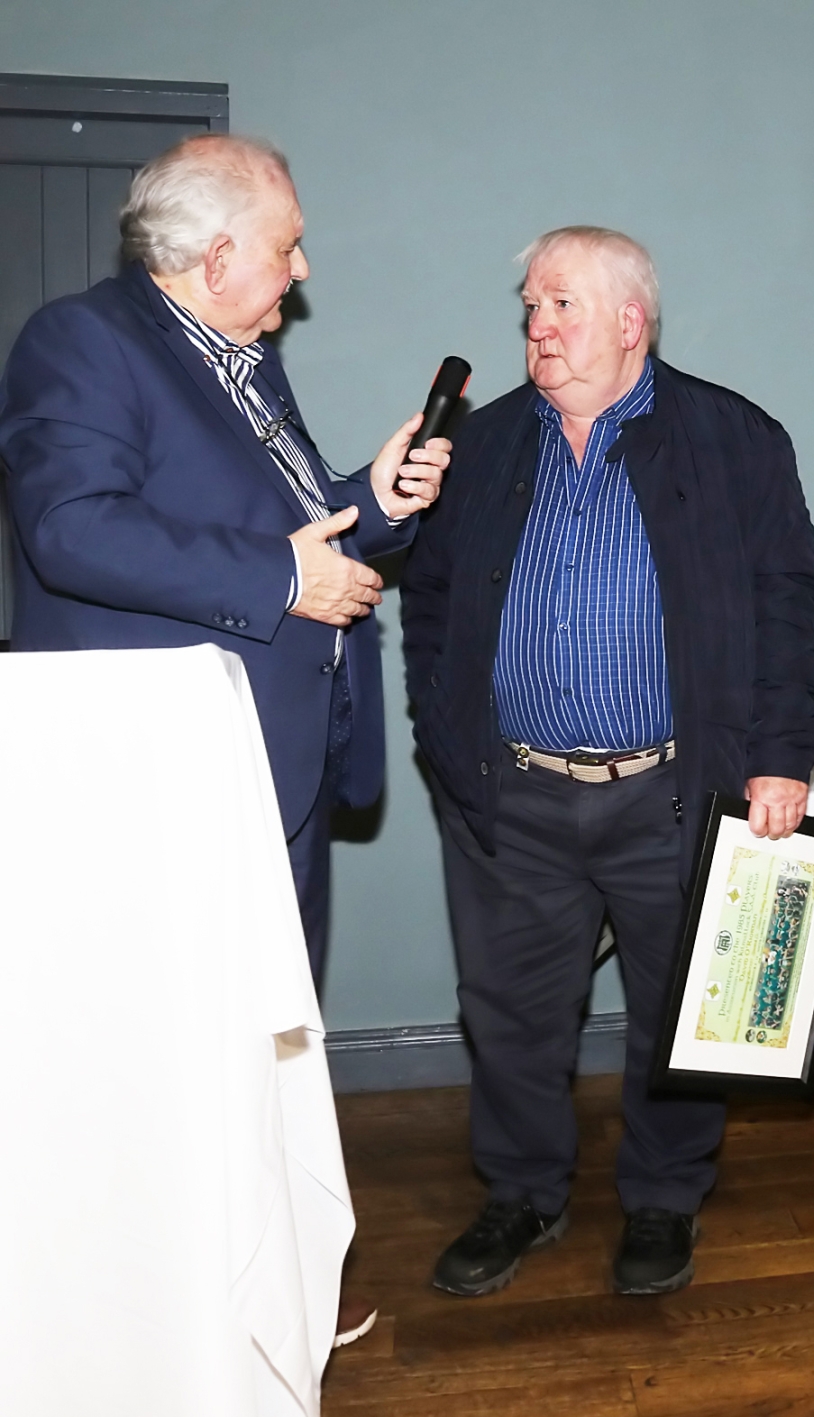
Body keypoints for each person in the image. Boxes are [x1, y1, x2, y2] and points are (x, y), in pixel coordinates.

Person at [0, 133, 450, 1348]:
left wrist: (372, 499)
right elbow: (72, 528)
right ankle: (189, 1313)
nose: (302, 270)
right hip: (169, 783)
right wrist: (285, 578)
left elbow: (287, 527)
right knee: (179, 1058)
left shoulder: (246, 359)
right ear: (214, 255)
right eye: (287, 245)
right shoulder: (81, 342)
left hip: (280, 763)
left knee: (271, 1046)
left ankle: (279, 1281)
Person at [401, 226, 814, 1300]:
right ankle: (522, 1191)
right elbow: (431, 601)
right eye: (531, 308)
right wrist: (443, 737)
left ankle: (663, 1197)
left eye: (562, 306)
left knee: (677, 1008)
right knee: (509, 1012)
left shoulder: (732, 438)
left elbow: (786, 603)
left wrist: (781, 755)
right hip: (512, 795)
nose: (538, 327)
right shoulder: (485, 444)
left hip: (672, 792)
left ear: (630, 322)